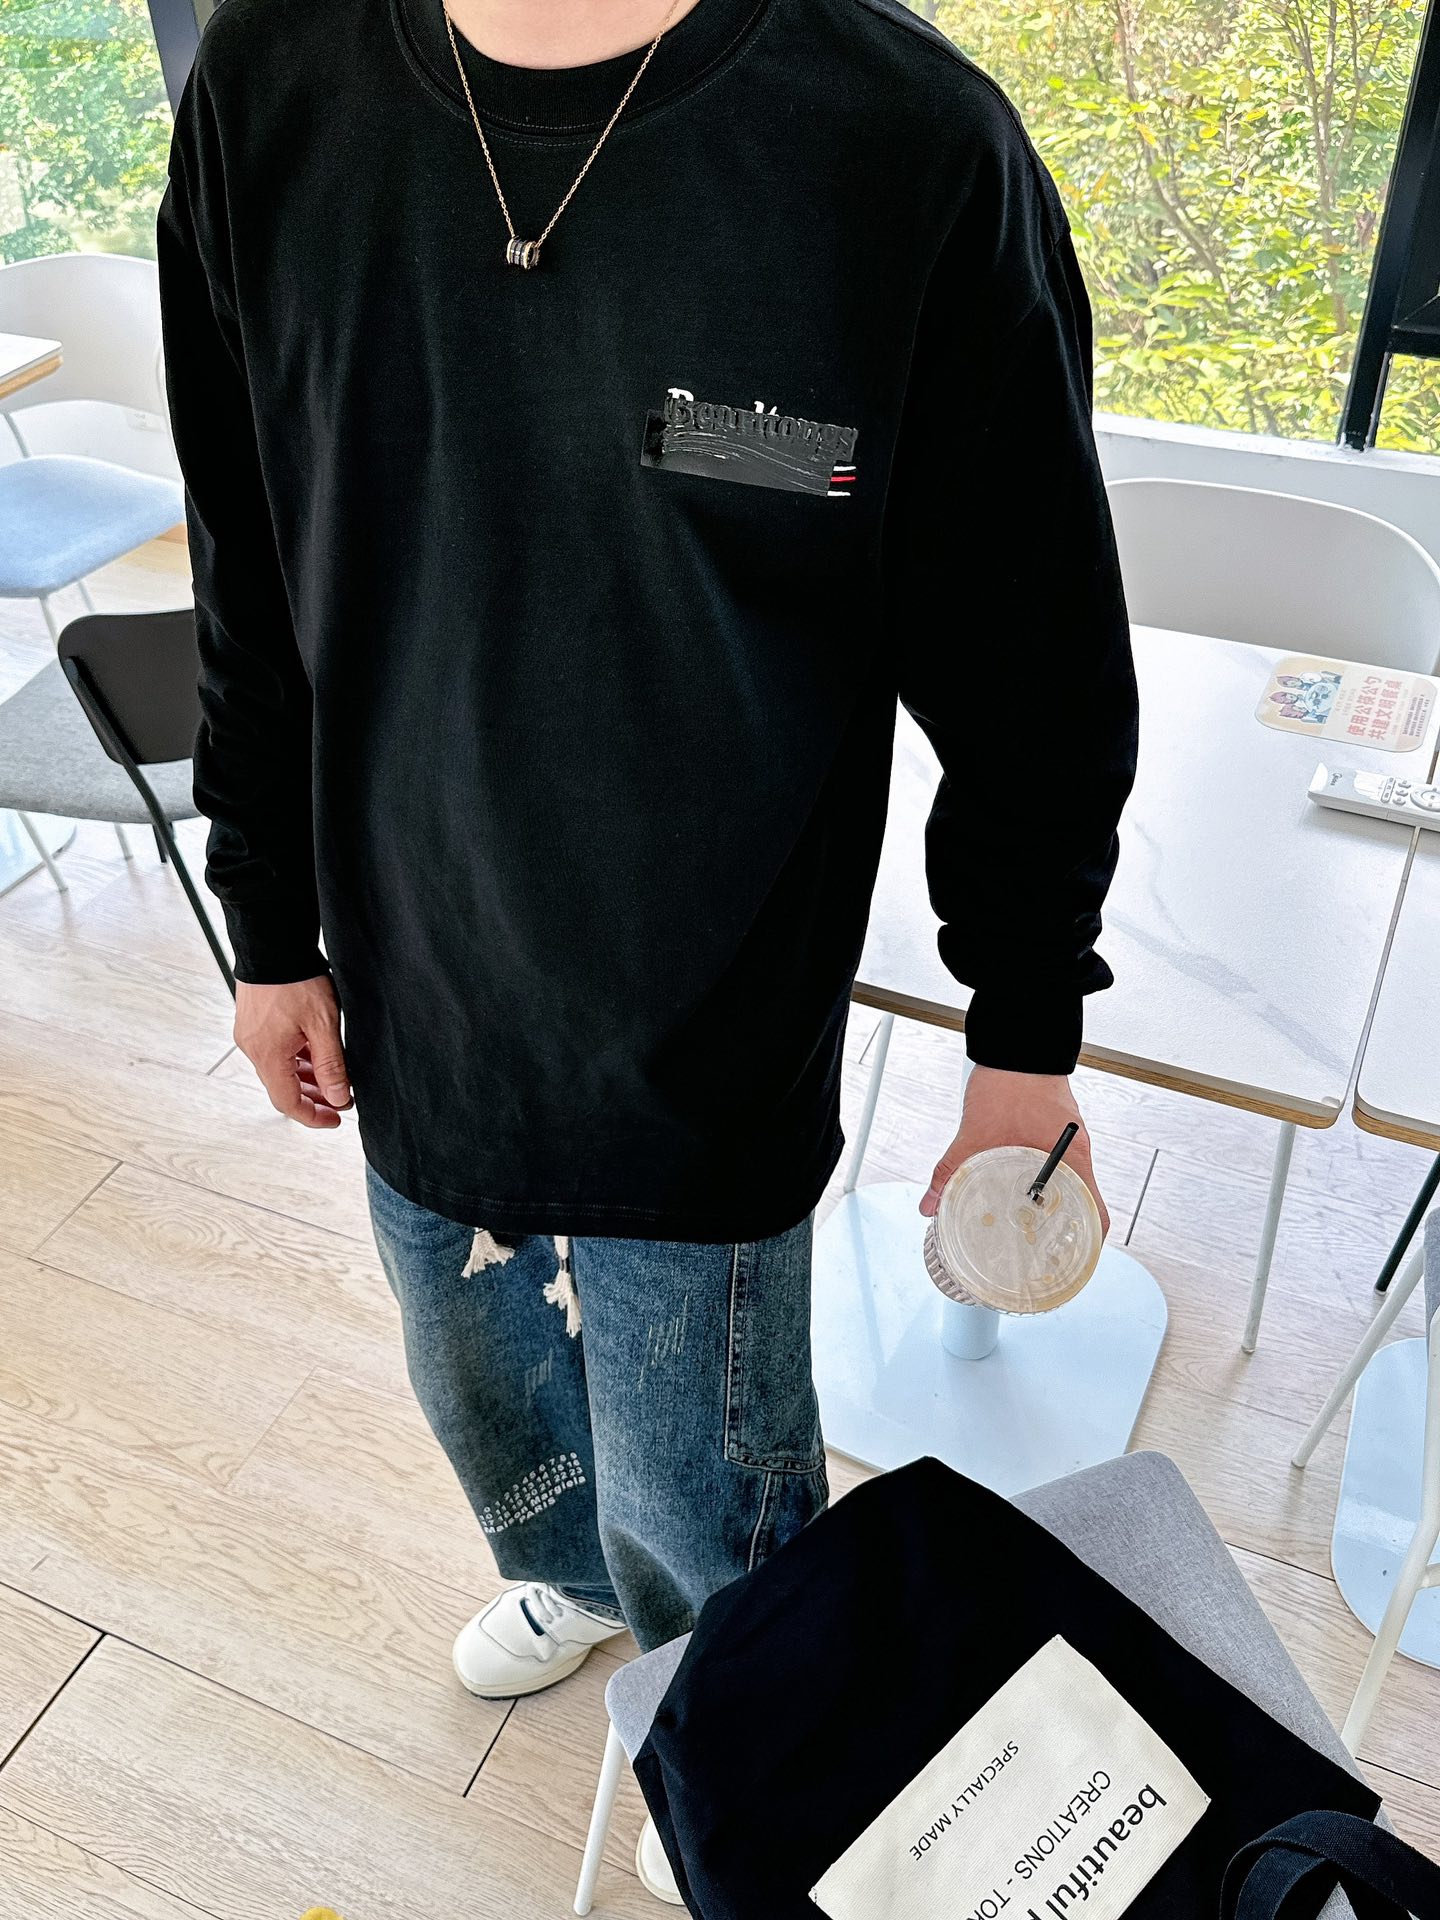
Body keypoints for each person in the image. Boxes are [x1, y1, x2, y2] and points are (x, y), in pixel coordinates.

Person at [157, 0, 1138, 1899]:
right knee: (480, 1382)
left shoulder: (902, 139)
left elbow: (1034, 661)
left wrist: (1023, 1038)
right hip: (412, 966)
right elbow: (246, 551)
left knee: (713, 1496)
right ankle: (571, 1576)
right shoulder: (272, 81)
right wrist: (266, 922)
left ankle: (744, 1742)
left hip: (711, 1022)